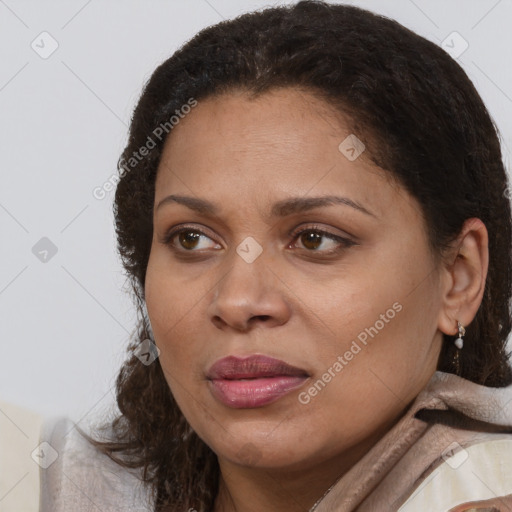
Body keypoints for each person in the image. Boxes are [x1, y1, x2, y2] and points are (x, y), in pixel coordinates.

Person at [38, 1, 512, 511]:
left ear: (458, 277)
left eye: (315, 239)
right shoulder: (50, 482)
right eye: (192, 239)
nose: (238, 301)